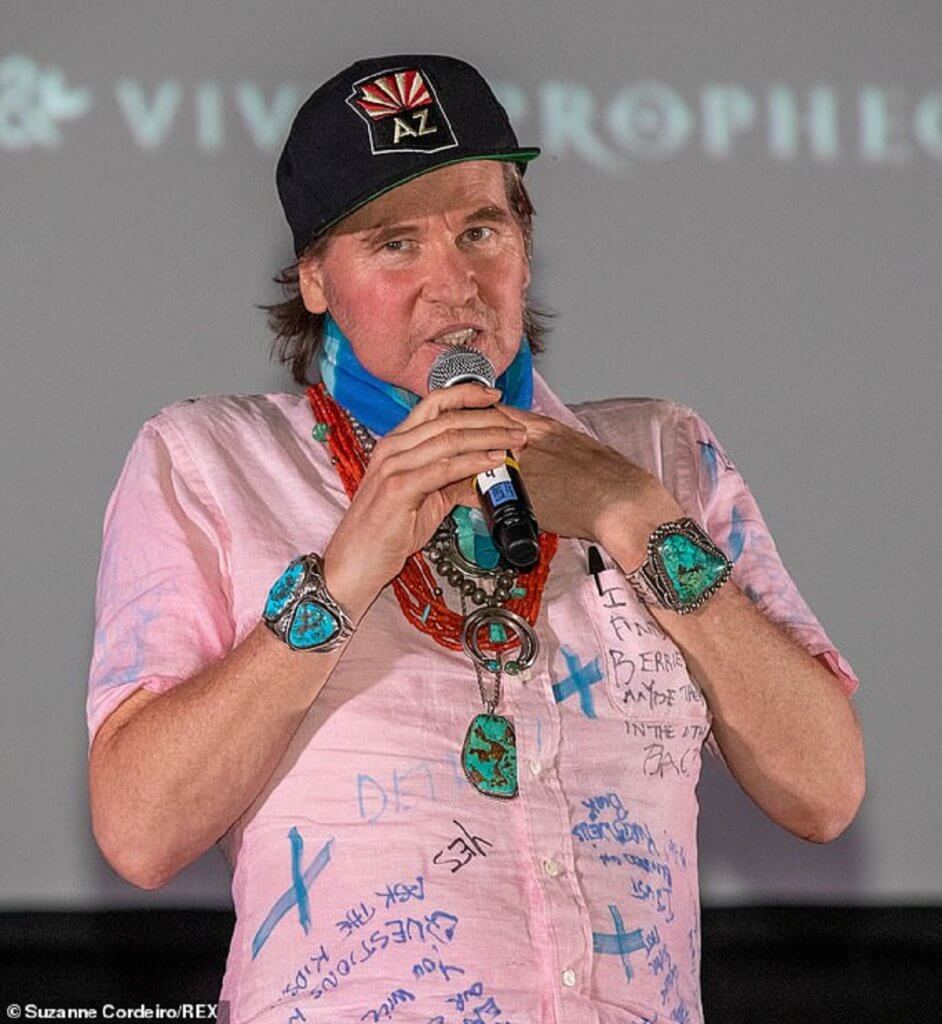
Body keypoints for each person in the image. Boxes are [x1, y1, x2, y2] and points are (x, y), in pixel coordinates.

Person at [87, 54, 864, 1024]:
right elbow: (141, 831)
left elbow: (826, 792)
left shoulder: (659, 451)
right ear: (316, 278)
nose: (452, 283)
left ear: (526, 253)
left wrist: (633, 514)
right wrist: (351, 562)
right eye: (395, 243)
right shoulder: (208, 459)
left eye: (480, 230)